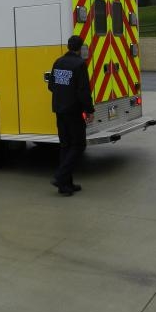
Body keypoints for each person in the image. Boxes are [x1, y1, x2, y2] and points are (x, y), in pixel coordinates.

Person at [47, 35, 95, 196]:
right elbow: (83, 91)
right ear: (80, 48)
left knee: (66, 145)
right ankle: (61, 176)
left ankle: (66, 185)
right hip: (73, 112)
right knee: (79, 145)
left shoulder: (58, 62)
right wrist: (89, 111)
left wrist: (63, 94)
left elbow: (52, 86)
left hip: (59, 110)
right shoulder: (80, 64)